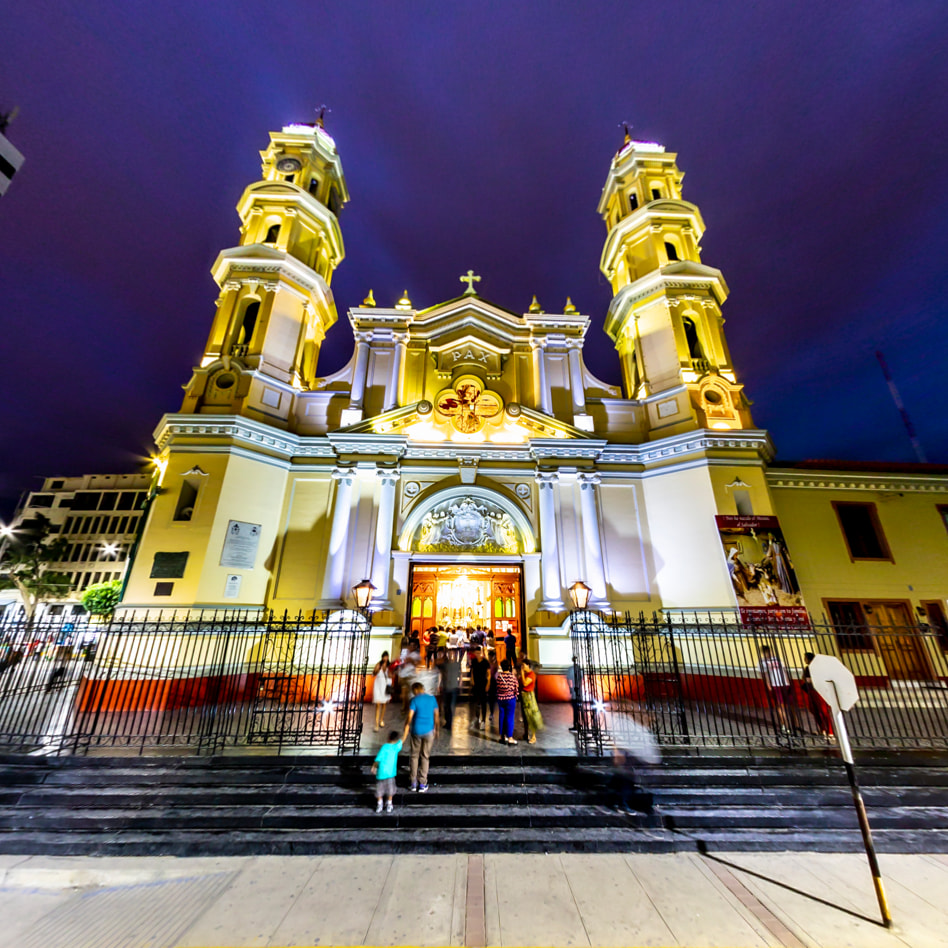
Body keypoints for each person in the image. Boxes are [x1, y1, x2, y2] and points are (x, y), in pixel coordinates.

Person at [403, 680, 439, 791]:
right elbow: (436, 716)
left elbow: (410, 716)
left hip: (416, 730)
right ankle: (423, 783)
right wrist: (436, 730)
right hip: (429, 731)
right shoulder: (432, 699)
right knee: (425, 756)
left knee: (414, 756)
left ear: (414, 691)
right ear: (423, 688)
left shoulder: (414, 700)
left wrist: (406, 725)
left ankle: (413, 782)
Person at [758, 644, 792, 732]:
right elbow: (763, 674)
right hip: (775, 684)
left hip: (785, 683)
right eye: (766, 652)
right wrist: (768, 684)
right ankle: (785, 724)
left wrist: (788, 681)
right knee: (780, 705)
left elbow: (784, 670)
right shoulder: (762, 662)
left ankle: (795, 724)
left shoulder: (777, 659)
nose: (768, 654)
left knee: (790, 705)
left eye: (769, 652)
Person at [802, 651, 832, 738]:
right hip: (816, 690)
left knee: (820, 711)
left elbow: (807, 679)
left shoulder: (811, 668)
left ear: (808, 658)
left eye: (805, 658)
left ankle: (827, 730)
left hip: (816, 691)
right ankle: (825, 730)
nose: (804, 660)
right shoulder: (814, 668)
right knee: (817, 710)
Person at [371, 730, 402, 813]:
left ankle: (379, 804)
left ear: (388, 738)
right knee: (390, 790)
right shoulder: (396, 747)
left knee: (379, 790)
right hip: (390, 774)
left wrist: (374, 767)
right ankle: (389, 804)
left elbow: (378, 758)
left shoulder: (384, 747)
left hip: (381, 773)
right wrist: (407, 727)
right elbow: (401, 740)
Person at [495, 658, 520, 746]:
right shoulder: (512, 677)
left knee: (501, 717)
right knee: (509, 717)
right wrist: (516, 695)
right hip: (510, 699)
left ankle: (502, 736)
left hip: (501, 699)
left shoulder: (499, 677)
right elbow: (516, 688)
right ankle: (510, 737)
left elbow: (497, 687)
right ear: (509, 667)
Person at [519, 659, 543, 743]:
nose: (522, 667)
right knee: (525, 716)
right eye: (521, 665)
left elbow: (525, 683)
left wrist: (521, 673)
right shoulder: (524, 674)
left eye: (523, 665)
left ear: (528, 665)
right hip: (523, 696)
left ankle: (533, 736)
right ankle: (526, 734)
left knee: (531, 716)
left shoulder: (531, 674)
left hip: (529, 696)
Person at [439, 648, 461, 730]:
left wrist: (460, 682)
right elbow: (442, 674)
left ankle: (450, 722)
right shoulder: (445, 664)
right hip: (446, 686)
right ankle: (447, 721)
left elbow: (460, 673)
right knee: (446, 706)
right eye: (450, 654)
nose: (451, 656)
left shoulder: (457, 664)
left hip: (454, 687)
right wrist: (440, 684)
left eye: (452, 654)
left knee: (451, 706)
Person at [469, 647, 490, 729]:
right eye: (476, 653)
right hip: (476, 683)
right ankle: (477, 717)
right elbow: (472, 671)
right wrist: (472, 680)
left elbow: (488, 674)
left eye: (479, 653)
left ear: (481, 653)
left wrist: (488, 684)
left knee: (483, 703)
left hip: (483, 683)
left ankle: (483, 720)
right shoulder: (474, 661)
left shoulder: (485, 662)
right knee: (476, 702)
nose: (477, 655)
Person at [372, 651, 391, 731]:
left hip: (385, 686)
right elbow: (374, 673)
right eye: (384, 657)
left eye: (386, 657)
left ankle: (381, 720)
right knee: (378, 704)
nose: (385, 658)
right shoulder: (378, 664)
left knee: (384, 704)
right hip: (378, 686)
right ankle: (376, 724)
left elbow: (391, 675)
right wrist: (379, 668)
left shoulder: (389, 665)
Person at [566, 655, 583, 732]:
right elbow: (581, 680)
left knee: (575, 709)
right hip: (579, 690)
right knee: (580, 708)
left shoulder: (570, 670)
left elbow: (569, 681)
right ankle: (580, 723)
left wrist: (570, 688)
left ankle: (576, 724)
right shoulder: (580, 669)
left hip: (574, 690)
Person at [487, 650, 499, 730]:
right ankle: (491, 711)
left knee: (493, 697)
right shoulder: (488, 663)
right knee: (490, 698)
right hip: (489, 680)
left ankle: (492, 712)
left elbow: (495, 673)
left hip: (493, 681)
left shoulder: (495, 664)